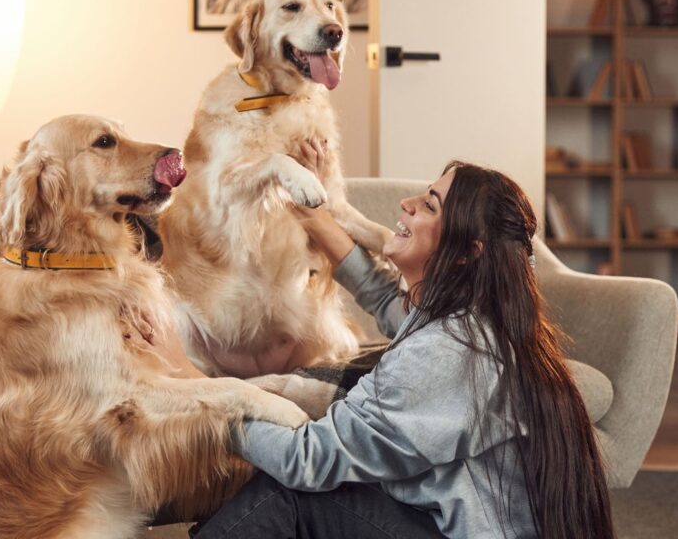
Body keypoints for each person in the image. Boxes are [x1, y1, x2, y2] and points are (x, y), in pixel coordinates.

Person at [193, 148, 614, 539]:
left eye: (429, 205)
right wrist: (317, 217)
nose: (406, 205)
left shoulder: (449, 352)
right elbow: (384, 298)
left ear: (467, 252)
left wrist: (195, 392)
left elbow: (307, 460)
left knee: (286, 492)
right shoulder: (469, 316)